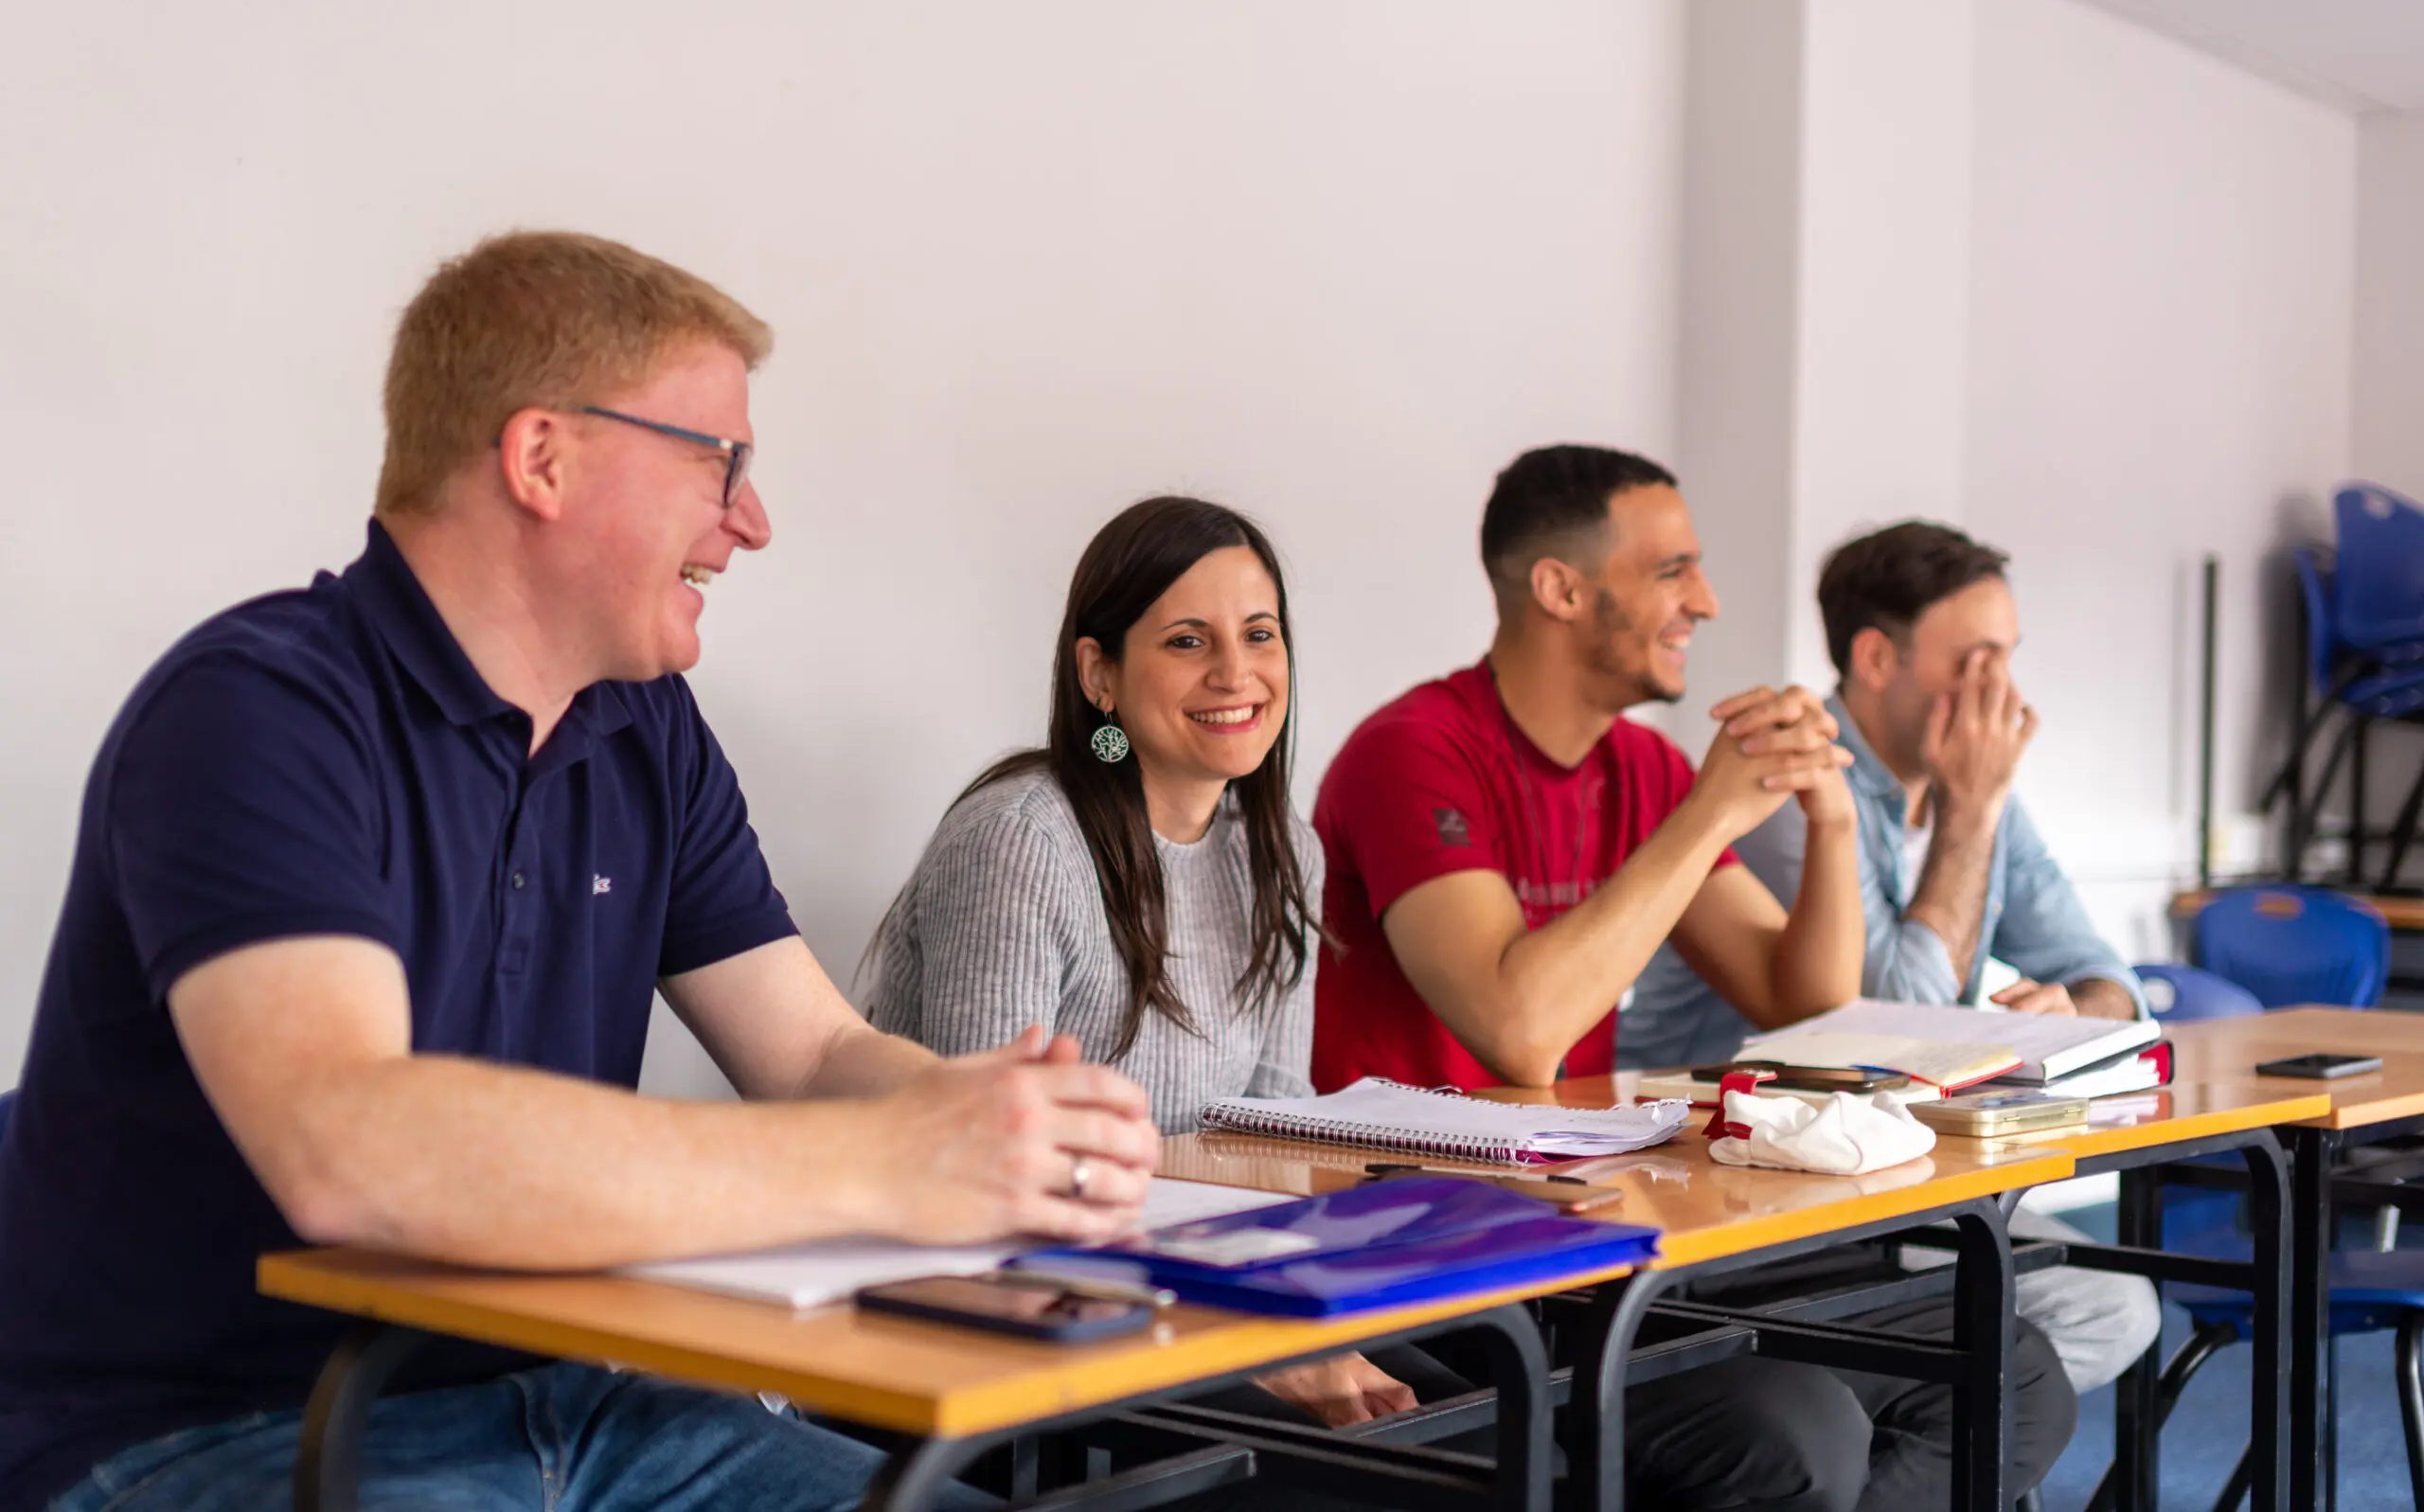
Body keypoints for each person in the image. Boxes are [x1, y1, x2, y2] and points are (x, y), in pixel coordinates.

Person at [0, 231, 1159, 1512]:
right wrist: (888, 1161)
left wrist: (998, 1128)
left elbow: (815, 1054)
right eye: (720, 461)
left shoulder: (644, 728)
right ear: (541, 458)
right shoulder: (258, 711)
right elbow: (353, 1149)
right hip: (215, 1429)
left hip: (576, 1403)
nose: (752, 521)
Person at [1313, 448, 2074, 1510]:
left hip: (1593, 1229)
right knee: (1801, 1433)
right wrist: (1711, 810)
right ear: (1561, 589)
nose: (1706, 601)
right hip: (1432, 1246)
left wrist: (1828, 812)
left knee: (2015, 1369)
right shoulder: (1413, 750)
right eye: (1673, 570)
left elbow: (1810, 1008)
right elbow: (1517, 1029)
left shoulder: (1645, 767)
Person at [872, 494, 1442, 1429]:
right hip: (1009, 1299)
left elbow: (1271, 1138)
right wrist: (1248, 1334)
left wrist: (1279, 1309)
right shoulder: (1022, 839)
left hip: (1190, 1267)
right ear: (1098, 673)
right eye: (1186, 640)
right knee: (1398, 1461)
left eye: (1259, 633)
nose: (1236, 672)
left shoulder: (1283, 851)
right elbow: (987, 1180)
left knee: (1478, 1398)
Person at [1619, 519, 2162, 1396]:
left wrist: (2080, 1008)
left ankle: (1894, 1434)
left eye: (2009, 658)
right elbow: (1884, 1033)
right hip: (1735, 1191)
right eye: (1978, 661)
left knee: (2111, 1303)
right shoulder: (1796, 783)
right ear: (1876, 658)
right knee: (2083, 1310)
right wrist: (1971, 812)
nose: (2005, 694)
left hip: (1893, 1172)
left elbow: (2116, 983)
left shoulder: (1974, 790)